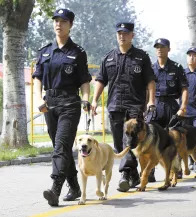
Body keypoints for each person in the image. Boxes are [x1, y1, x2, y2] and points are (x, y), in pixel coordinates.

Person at [32, 9, 92, 206]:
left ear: (70, 25)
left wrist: (85, 98)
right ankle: (74, 186)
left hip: (70, 104)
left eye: (63, 21)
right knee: (62, 148)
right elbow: (37, 78)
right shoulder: (44, 51)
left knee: (61, 145)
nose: (59, 24)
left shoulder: (77, 52)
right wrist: (38, 98)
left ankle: (55, 188)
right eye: (56, 21)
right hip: (49, 104)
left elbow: (84, 80)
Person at [91, 22, 156, 192]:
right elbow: (100, 80)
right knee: (120, 143)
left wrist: (151, 101)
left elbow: (150, 80)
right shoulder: (109, 57)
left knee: (131, 140)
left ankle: (125, 174)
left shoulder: (142, 57)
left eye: (125, 33)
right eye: (119, 33)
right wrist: (94, 100)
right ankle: (133, 174)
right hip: (114, 106)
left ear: (132, 35)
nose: (122, 36)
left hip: (134, 106)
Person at [146, 38, 188, 179]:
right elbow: (147, 90)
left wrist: (183, 107)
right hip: (155, 105)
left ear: (168, 49)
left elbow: (184, 89)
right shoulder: (151, 68)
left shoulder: (176, 67)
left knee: (175, 139)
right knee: (151, 138)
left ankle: (176, 169)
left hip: (171, 105)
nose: (159, 49)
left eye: (162, 47)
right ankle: (150, 171)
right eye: (157, 47)